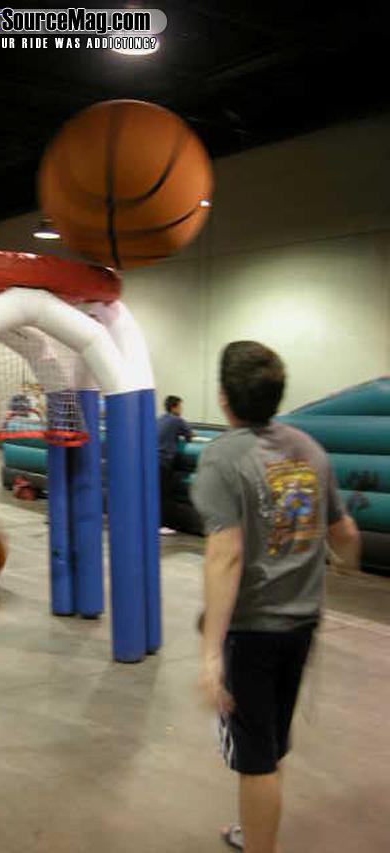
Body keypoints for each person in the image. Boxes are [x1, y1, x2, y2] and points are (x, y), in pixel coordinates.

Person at [191, 341, 360, 853]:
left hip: (252, 633)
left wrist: (210, 653)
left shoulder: (221, 458)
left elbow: (226, 554)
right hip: (302, 625)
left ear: (224, 399)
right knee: (269, 743)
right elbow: (346, 534)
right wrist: (342, 563)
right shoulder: (310, 449)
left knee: (255, 759)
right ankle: (255, 829)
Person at [157, 395, 193, 534]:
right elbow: (190, 436)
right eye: (180, 406)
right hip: (164, 461)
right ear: (174, 407)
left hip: (153, 461)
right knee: (165, 495)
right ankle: (162, 525)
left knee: (157, 494)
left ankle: (156, 523)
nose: (181, 409)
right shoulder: (177, 420)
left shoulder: (160, 419)